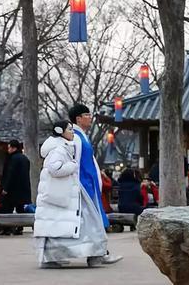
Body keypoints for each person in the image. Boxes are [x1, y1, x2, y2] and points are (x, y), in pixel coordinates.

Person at [35, 120, 103, 268]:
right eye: (69, 129)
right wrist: (72, 166)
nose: (72, 132)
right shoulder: (59, 149)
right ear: (61, 132)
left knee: (58, 227)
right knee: (77, 224)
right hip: (61, 194)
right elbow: (54, 168)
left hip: (61, 194)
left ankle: (53, 257)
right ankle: (93, 254)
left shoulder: (61, 146)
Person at [69, 103, 123, 265]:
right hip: (84, 185)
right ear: (78, 119)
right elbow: (75, 163)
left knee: (92, 222)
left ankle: (98, 253)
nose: (90, 117)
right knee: (90, 222)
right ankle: (98, 254)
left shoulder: (81, 136)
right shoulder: (76, 137)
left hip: (89, 183)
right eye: (87, 115)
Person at [0, 140, 32, 216]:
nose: (8, 150)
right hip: (24, 188)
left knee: (7, 209)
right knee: (21, 209)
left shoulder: (12, 159)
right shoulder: (25, 158)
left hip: (13, 189)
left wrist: (5, 188)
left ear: (14, 148)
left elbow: (10, 174)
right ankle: (20, 226)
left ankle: (8, 227)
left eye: (9, 148)